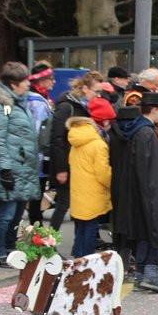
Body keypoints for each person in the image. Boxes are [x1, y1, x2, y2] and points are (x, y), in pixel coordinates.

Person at [110, 92, 158, 292]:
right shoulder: (146, 133)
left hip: (134, 191)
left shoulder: (135, 129)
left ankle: (140, 277)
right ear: (153, 109)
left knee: (143, 233)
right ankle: (149, 276)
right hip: (148, 191)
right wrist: (154, 198)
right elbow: (148, 170)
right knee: (151, 230)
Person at [0, 62, 40, 268]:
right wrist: (5, 169)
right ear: (13, 84)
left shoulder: (17, 102)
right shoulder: (0, 106)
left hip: (23, 167)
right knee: (6, 213)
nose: (28, 84)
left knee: (17, 213)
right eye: (25, 81)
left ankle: (9, 249)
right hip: (12, 168)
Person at [48, 71, 101, 233]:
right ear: (85, 89)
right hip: (66, 164)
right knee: (64, 204)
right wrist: (61, 169)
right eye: (96, 91)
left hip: (77, 164)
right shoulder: (68, 107)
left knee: (75, 204)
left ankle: (74, 245)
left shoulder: (82, 106)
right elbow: (57, 139)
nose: (98, 96)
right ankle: (49, 244)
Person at [67, 111, 112, 258]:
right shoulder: (98, 144)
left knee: (80, 228)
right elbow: (103, 172)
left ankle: (78, 258)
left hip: (78, 192)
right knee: (91, 230)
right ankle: (86, 261)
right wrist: (112, 185)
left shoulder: (75, 143)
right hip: (94, 193)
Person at [26, 63, 56, 227]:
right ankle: (36, 234)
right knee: (35, 198)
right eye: (50, 79)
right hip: (37, 158)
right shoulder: (37, 102)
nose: (53, 82)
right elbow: (38, 132)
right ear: (41, 81)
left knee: (35, 198)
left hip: (35, 157)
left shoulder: (39, 98)